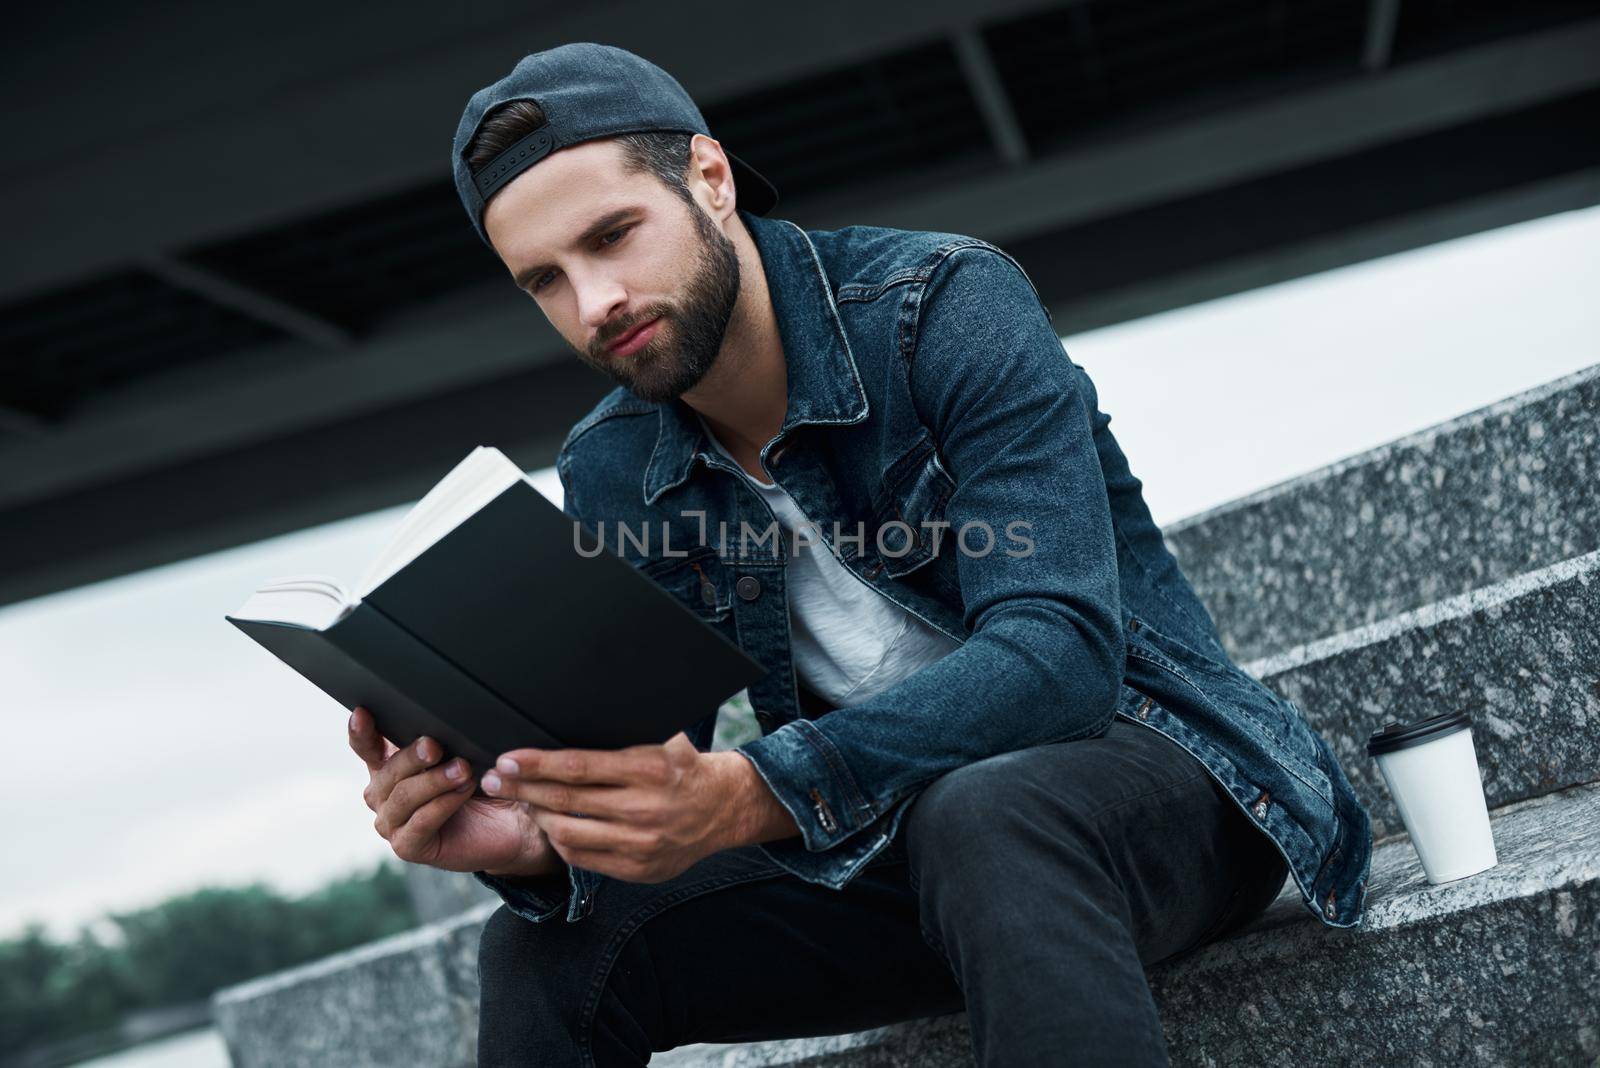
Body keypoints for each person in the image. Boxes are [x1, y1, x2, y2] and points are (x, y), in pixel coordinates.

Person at [345, 42, 1373, 1067]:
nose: (593, 302)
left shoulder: (941, 306)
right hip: (895, 849)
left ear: (710, 178)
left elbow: (1060, 655)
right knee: (539, 953)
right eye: (544, 281)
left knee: (985, 812)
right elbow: (645, 765)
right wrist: (544, 840)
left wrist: (757, 790)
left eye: (613, 236)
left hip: (1169, 791)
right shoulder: (616, 464)